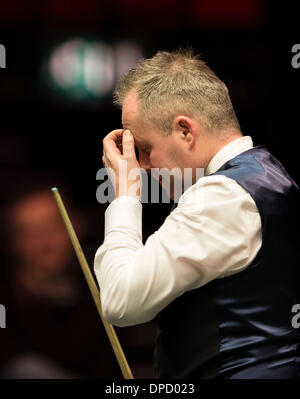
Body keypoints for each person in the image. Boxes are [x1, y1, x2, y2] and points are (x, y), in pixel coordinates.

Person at [94, 49, 300, 379]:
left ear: (185, 131)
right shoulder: (266, 172)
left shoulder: (220, 198)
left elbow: (121, 302)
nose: (141, 166)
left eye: (144, 149)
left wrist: (125, 194)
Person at [0, 187, 122, 378]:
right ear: (13, 241)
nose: (44, 243)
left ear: (77, 226)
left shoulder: (107, 295)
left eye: (52, 226)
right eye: (29, 232)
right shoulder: (3, 308)